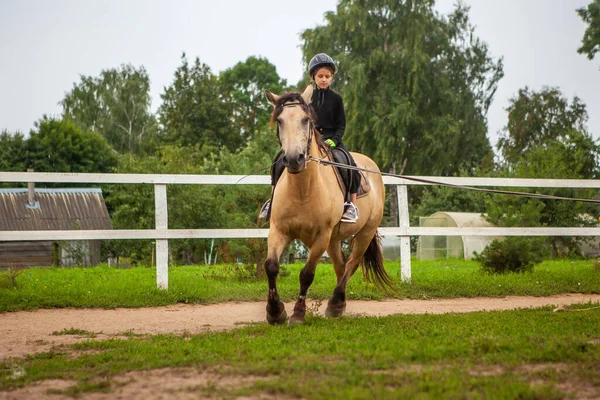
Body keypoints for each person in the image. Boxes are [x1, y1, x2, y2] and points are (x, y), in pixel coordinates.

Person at [260, 53, 360, 223]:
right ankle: (273, 199)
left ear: (332, 77)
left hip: (331, 139)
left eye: (327, 76)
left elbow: (341, 124)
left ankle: (351, 205)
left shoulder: (336, 99)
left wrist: (334, 140)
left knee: (349, 163)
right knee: (278, 161)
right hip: (309, 139)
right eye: (320, 76)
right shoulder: (305, 99)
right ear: (314, 77)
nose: (323, 79)